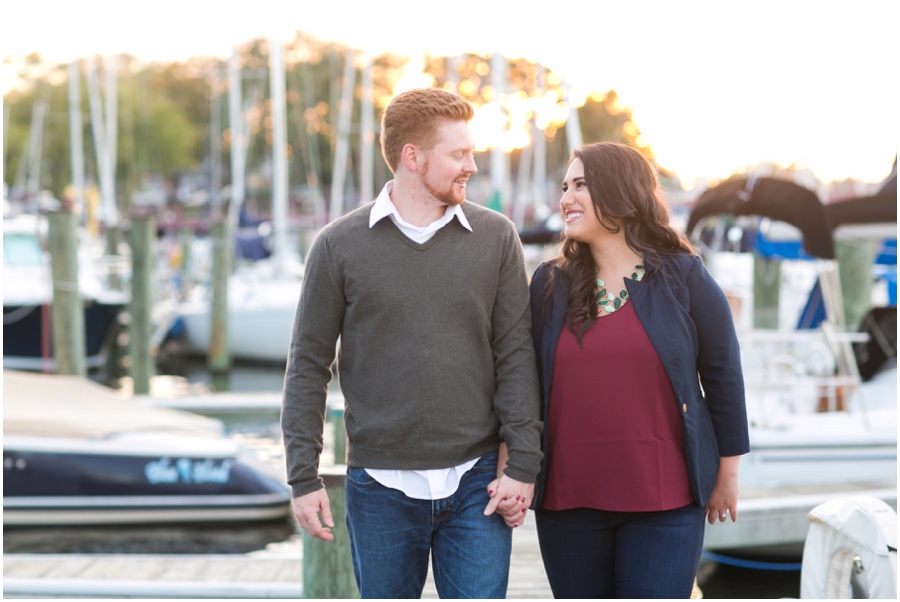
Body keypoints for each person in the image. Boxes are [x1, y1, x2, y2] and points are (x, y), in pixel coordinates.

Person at [281, 87, 542, 599]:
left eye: (471, 151)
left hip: (478, 483)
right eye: (458, 153)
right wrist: (303, 477)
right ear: (413, 157)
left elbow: (515, 355)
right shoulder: (338, 245)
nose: (472, 164)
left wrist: (523, 467)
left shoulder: (496, 237)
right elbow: (308, 366)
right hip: (378, 485)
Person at [529, 142, 749, 599]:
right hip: (567, 501)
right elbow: (526, 381)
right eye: (565, 186)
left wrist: (726, 475)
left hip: (665, 501)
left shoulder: (684, 276)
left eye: (582, 185)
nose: (566, 198)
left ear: (621, 193)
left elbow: (723, 374)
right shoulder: (550, 284)